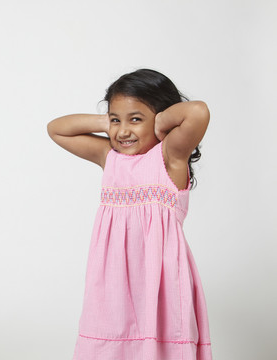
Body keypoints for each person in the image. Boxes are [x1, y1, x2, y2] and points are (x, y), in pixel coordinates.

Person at [47, 69, 212, 359]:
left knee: (159, 343)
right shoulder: (109, 157)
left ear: (161, 117)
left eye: (135, 119)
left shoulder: (170, 156)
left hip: (159, 282)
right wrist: (108, 121)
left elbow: (198, 111)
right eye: (116, 120)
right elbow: (56, 128)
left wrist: (158, 122)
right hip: (112, 286)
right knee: (108, 342)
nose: (123, 131)